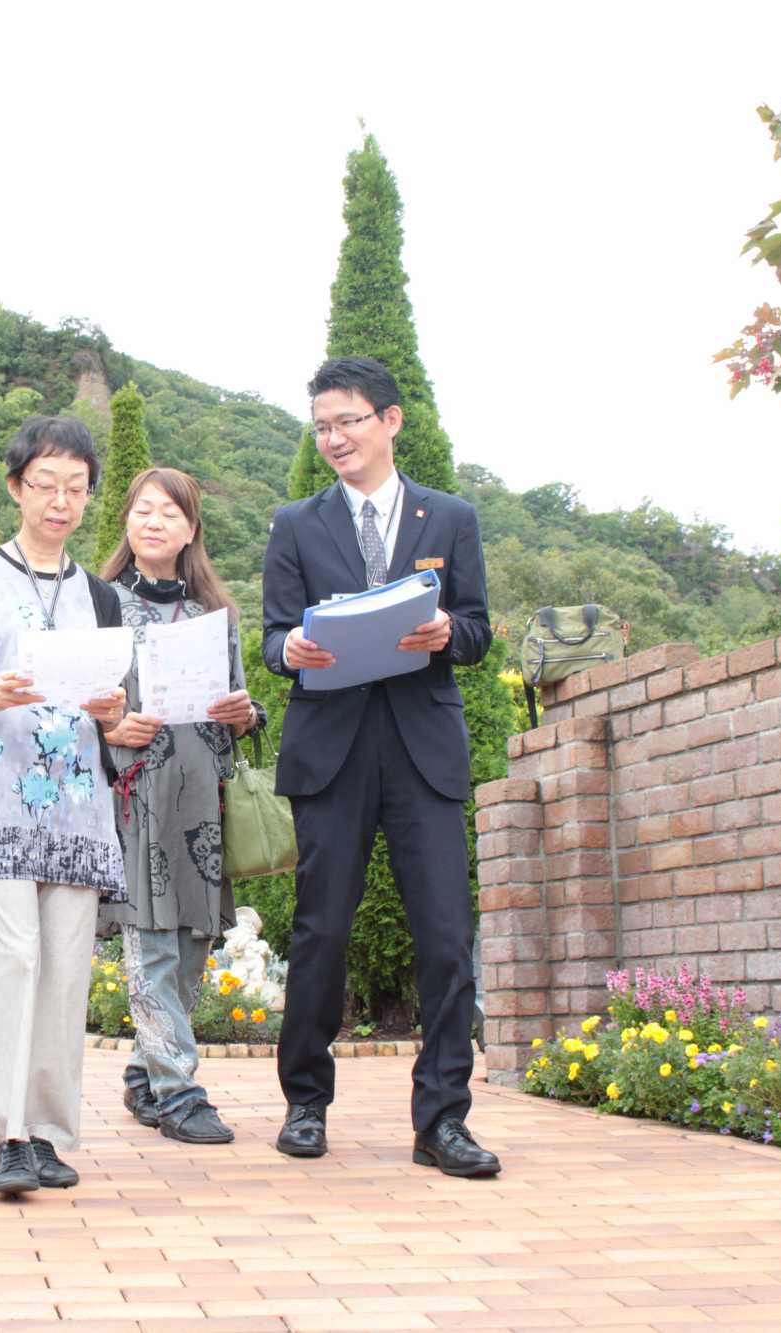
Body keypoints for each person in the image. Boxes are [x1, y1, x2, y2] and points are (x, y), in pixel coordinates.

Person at [260, 356, 500, 1177]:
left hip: (422, 749)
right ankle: (305, 1103)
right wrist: (287, 648)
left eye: (349, 421)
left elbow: (476, 628)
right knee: (321, 930)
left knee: (444, 936)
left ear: (391, 421)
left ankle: (443, 1119)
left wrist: (447, 635)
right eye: (322, 425)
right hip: (331, 748)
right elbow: (272, 636)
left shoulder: (451, 517)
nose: (334, 438)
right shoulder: (295, 523)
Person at [0, 415, 129, 1197]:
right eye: (45, 484)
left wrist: (116, 713)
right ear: (16, 487)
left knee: (68, 968)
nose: (60, 500)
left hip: (78, 804)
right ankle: (9, 1133)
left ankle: (50, 1133)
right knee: (13, 958)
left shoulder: (102, 595)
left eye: (75, 488)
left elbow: (115, 711)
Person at [98, 467, 265, 1145]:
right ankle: (177, 1088)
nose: (156, 520)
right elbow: (76, 700)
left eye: (171, 512)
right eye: (143, 509)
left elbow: (242, 709)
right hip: (135, 791)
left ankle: (144, 1072)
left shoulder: (211, 617)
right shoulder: (100, 606)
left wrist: (244, 713)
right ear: (128, 524)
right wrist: (113, 729)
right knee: (152, 946)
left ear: (191, 529)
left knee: (195, 940)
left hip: (202, 798)